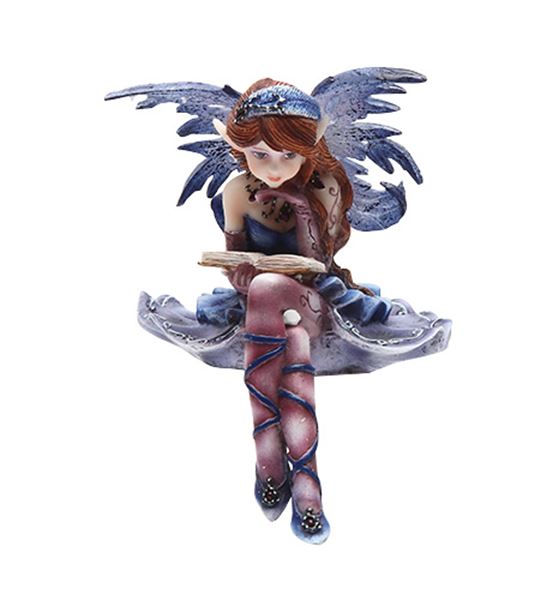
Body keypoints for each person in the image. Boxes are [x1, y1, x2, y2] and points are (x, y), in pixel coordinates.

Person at [106, 71, 452, 545]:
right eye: (260, 154)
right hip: (266, 312)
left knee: (278, 299)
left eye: (288, 155)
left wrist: (301, 206)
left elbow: (317, 261)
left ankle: (268, 459)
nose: (274, 167)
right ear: (239, 149)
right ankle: (306, 488)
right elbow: (234, 259)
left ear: (307, 149)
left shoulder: (324, 186)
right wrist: (240, 276)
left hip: (317, 299)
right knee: (287, 332)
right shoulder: (236, 193)